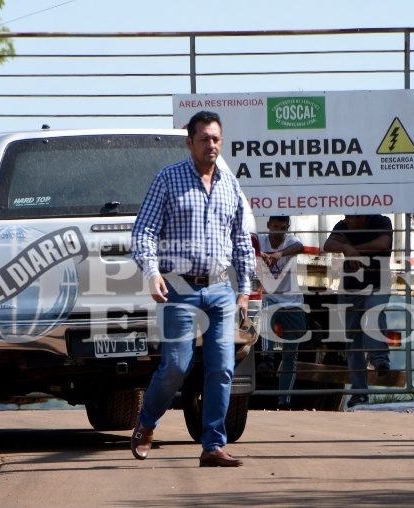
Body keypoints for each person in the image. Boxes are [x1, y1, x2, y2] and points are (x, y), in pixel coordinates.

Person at [130, 110, 255, 467]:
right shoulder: (169, 179)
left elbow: (242, 242)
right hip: (178, 289)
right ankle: (146, 422)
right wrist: (151, 272)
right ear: (190, 142)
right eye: (204, 139)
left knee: (222, 368)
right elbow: (144, 232)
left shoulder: (231, 184)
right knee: (176, 366)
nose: (211, 145)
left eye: (216, 139)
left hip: (219, 290)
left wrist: (244, 289)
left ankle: (213, 445)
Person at [323, 214, 393, 408]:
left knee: (373, 310)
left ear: (363, 216)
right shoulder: (343, 225)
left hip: (378, 285)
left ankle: (380, 360)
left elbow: (383, 243)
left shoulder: (382, 222)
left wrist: (354, 250)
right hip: (351, 288)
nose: (346, 220)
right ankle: (359, 393)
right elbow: (328, 244)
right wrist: (345, 247)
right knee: (353, 341)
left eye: (351, 217)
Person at [256, 215, 306, 410]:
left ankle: (284, 400)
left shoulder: (290, 242)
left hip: (293, 302)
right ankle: (266, 358)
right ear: (268, 225)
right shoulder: (260, 240)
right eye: (275, 226)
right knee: (265, 310)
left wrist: (278, 255)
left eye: (283, 227)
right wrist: (261, 254)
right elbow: (245, 245)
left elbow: (299, 247)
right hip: (269, 297)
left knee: (290, 355)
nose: (278, 231)